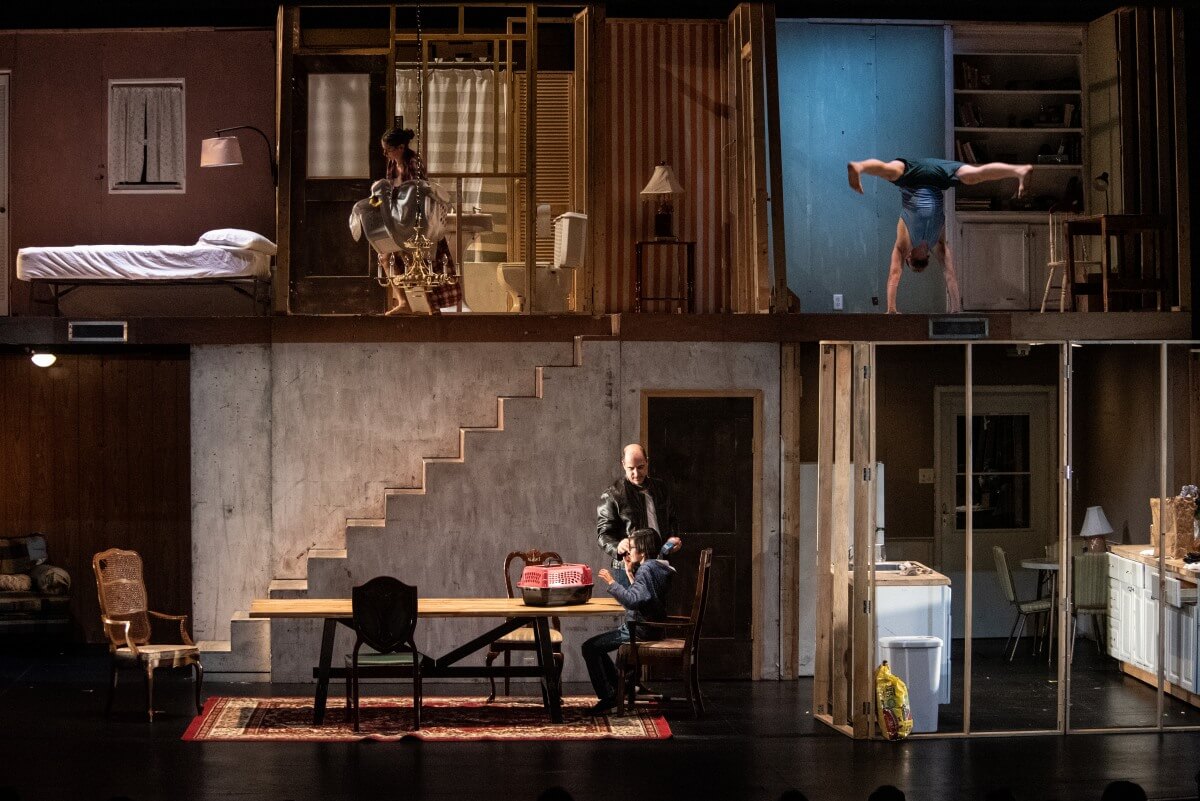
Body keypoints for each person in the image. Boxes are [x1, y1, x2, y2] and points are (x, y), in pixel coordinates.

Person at [847, 157, 1033, 314]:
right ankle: (1018, 170)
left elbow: (900, 274)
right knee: (973, 175)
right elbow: (945, 275)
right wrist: (955, 310)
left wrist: (892, 309)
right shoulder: (933, 243)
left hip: (917, 177)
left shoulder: (926, 244)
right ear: (910, 258)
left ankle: (860, 166)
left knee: (890, 170)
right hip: (935, 175)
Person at [581, 528, 675, 715]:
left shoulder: (646, 569)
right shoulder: (657, 566)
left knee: (589, 648)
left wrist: (611, 582)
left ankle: (609, 697)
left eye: (631, 547)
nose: (628, 552)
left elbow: (632, 601)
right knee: (594, 648)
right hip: (648, 629)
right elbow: (644, 596)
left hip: (637, 631)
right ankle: (618, 688)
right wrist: (629, 572)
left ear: (642, 551)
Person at [378, 126, 461, 311]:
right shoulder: (392, 165)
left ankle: (432, 307)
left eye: (388, 150)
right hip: (399, 219)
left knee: (416, 261)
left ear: (400, 148)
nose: (385, 154)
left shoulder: (413, 163)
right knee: (386, 257)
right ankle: (403, 302)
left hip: (417, 221)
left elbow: (422, 190)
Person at [596, 443, 682, 587]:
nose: (636, 473)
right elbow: (603, 535)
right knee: (633, 602)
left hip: (659, 564)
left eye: (640, 467)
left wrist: (673, 539)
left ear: (647, 462)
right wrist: (617, 546)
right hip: (628, 568)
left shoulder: (661, 488)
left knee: (659, 603)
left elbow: (672, 520)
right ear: (623, 465)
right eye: (631, 468)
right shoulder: (612, 494)